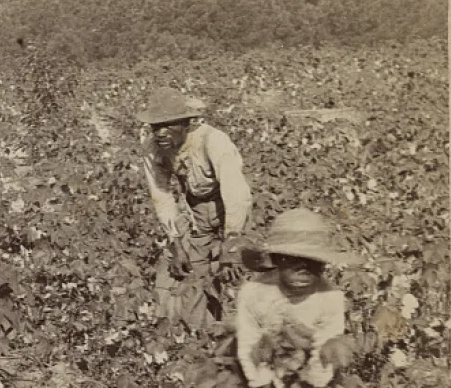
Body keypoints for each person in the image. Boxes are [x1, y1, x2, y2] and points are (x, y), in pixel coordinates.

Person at [137, 88, 254, 332]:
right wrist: (176, 243)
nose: (160, 133)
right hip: (197, 210)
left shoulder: (212, 140)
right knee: (191, 274)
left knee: (233, 273)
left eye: (168, 126)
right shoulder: (153, 149)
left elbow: (235, 193)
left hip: (231, 208)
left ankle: (241, 335)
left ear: (186, 124)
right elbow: (162, 196)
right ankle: (202, 336)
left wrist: (231, 243)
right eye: (155, 127)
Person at [234, 208, 357, 388]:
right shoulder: (254, 292)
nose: (303, 270)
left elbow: (322, 360)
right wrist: (261, 382)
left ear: (324, 264)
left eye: (313, 262)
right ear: (276, 260)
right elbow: (249, 346)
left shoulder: (330, 298)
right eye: (292, 261)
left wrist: (305, 383)